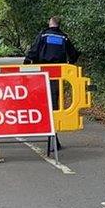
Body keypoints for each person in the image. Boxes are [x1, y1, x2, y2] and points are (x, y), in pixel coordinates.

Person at [24, 16, 79, 150]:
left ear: (50, 23)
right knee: (54, 106)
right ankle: (53, 139)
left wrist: (27, 61)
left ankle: (48, 135)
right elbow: (74, 54)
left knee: (42, 104)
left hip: (42, 75)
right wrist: (69, 65)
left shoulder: (43, 35)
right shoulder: (64, 38)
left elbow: (34, 50)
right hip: (57, 76)